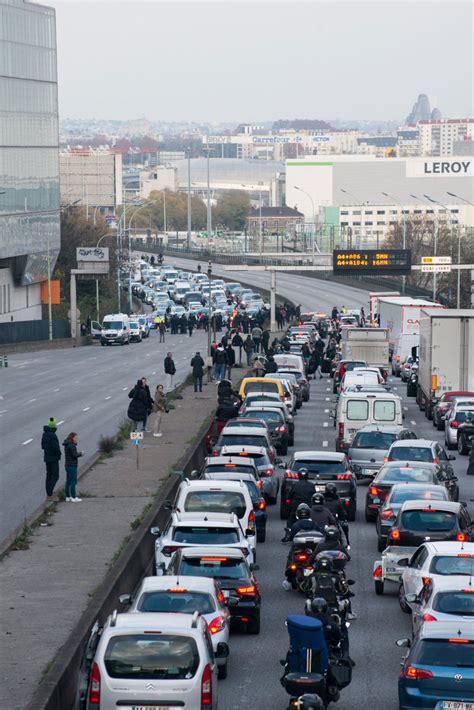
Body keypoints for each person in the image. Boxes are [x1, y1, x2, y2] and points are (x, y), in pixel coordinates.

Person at [41, 417, 62, 502]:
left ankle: (49, 494)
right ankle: (50, 495)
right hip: (53, 458)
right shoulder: (53, 435)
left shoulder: (45, 434)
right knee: (55, 476)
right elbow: (56, 447)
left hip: (47, 458)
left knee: (49, 475)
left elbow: (42, 446)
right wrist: (59, 453)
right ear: (54, 426)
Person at [62, 432, 84, 502]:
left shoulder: (67, 444)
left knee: (68, 481)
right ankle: (74, 497)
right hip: (72, 465)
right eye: (75, 438)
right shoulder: (71, 446)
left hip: (67, 465)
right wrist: (81, 454)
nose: (76, 439)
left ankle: (67, 496)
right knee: (73, 481)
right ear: (72, 438)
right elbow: (74, 455)